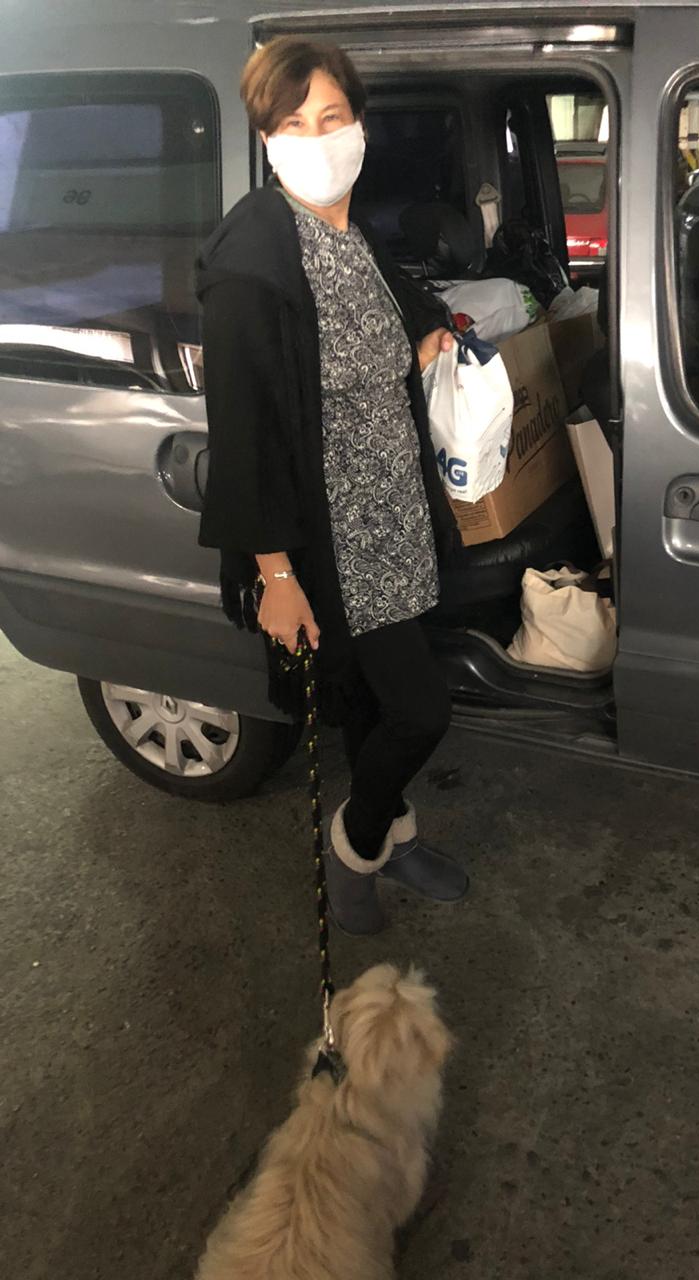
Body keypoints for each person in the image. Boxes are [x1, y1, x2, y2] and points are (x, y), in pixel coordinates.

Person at [196, 36, 469, 935]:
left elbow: (380, 333)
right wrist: (274, 573)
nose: (317, 139)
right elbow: (244, 433)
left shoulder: (353, 235)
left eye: (332, 117)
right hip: (331, 539)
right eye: (293, 124)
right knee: (421, 711)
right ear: (267, 141)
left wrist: (424, 343)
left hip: (394, 515)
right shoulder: (256, 258)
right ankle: (354, 848)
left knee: (373, 705)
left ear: (360, 126)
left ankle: (396, 835)